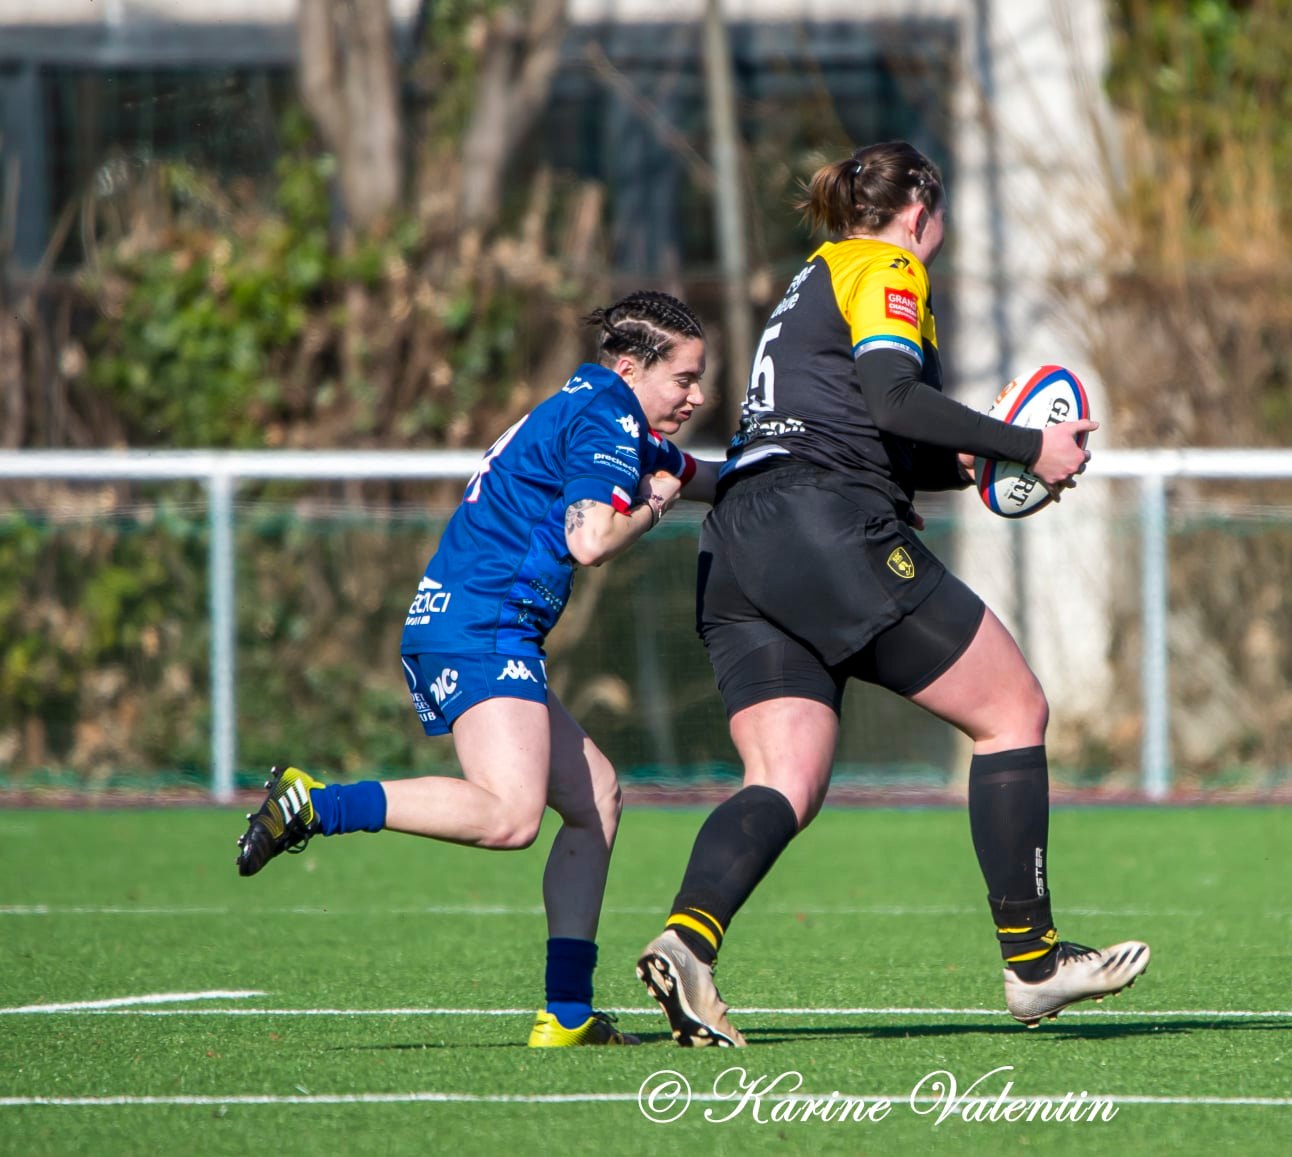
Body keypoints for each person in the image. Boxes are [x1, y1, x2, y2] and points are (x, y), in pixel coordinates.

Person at [635, 142, 1148, 1048]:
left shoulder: (816, 274)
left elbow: (865, 431)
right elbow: (892, 399)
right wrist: (1030, 446)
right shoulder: (888, 266)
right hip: (823, 529)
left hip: (740, 540)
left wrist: (978, 460)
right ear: (920, 213)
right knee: (1013, 710)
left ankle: (687, 943)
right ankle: (1033, 963)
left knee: (784, 779)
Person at [234, 290, 718, 1048]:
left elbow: (701, 474)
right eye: (684, 379)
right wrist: (655, 507)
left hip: (471, 620)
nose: (697, 396)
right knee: (511, 817)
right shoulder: (606, 417)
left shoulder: (596, 409)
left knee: (595, 798)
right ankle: (318, 804)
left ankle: (567, 1013)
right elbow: (592, 540)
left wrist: (798, 464)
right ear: (630, 368)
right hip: (483, 625)